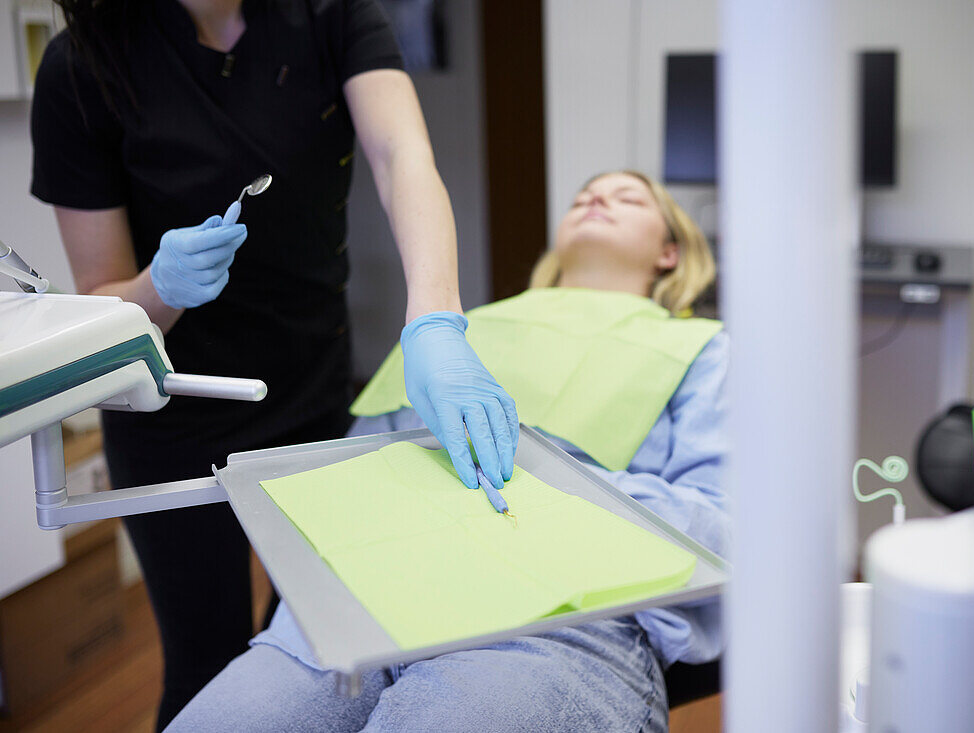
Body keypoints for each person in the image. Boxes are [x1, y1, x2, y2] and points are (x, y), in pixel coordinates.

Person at [29, 0, 516, 728]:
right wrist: (157, 290)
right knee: (208, 667)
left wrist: (435, 318)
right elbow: (104, 297)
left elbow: (400, 154)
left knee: (312, 651)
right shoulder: (82, 66)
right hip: (171, 417)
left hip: (312, 391)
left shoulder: (335, 16)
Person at [166, 171, 730, 733]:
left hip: (557, 620)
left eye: (627, 197)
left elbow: (727, 527)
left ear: (670, 252)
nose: (596, 197)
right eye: (583, 195)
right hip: (368, 601)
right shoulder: (442, 335)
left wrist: (551, 480)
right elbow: (341, 486)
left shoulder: (705, 350)